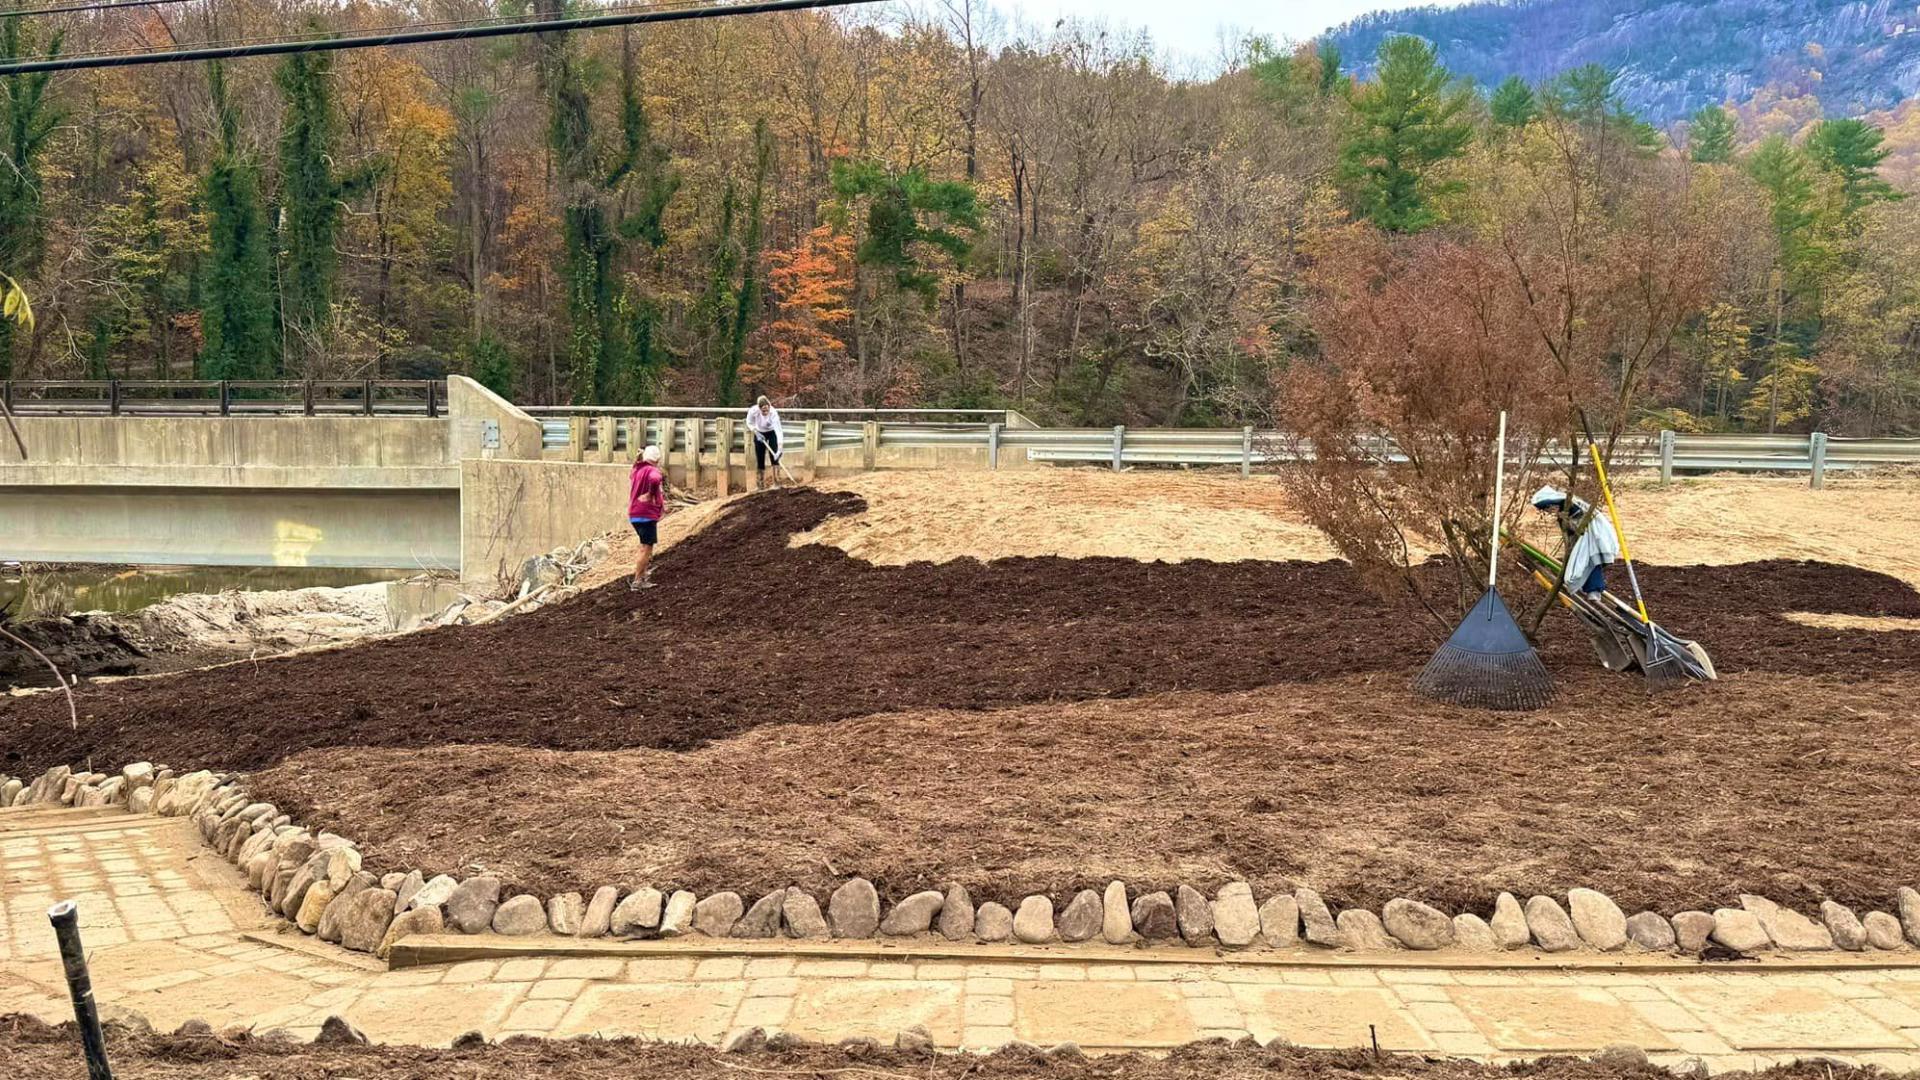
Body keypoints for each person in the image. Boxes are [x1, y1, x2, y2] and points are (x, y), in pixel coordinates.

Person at [1530, 485, 1621, 598]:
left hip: (1592, 535)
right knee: (1585, 562)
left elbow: (1580, 526)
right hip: (1584, 537)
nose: (1549, 511)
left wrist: (1567, 522)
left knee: (1589, 560)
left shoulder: (1571, 506)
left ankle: (1594, 591)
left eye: (1549, 508)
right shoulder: (1563, 511)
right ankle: (1590, 590)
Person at [628, 444, 667, 591]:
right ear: (657, 458)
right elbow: (656, 479)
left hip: (634, 513)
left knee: (645, 545)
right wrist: (651, 495)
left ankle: (642, 574)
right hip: (645, 514)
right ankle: (638, 581)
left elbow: (633, 471)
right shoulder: (652, 470)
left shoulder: (637, 470)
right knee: (646, 547)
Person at [744, 394, 782, 489]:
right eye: (763, 410)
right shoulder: (753, 411)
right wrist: (755, 431)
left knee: (774, 457)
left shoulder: (773, 414)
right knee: (760, 457)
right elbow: (749, 422)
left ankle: (777, 483)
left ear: (769, 407)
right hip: (759, 432)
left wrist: (780, 449)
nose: (765, 412)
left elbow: (778, 431)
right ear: (759, 408)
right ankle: (760, 485)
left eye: (767, 409)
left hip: (772, 432)